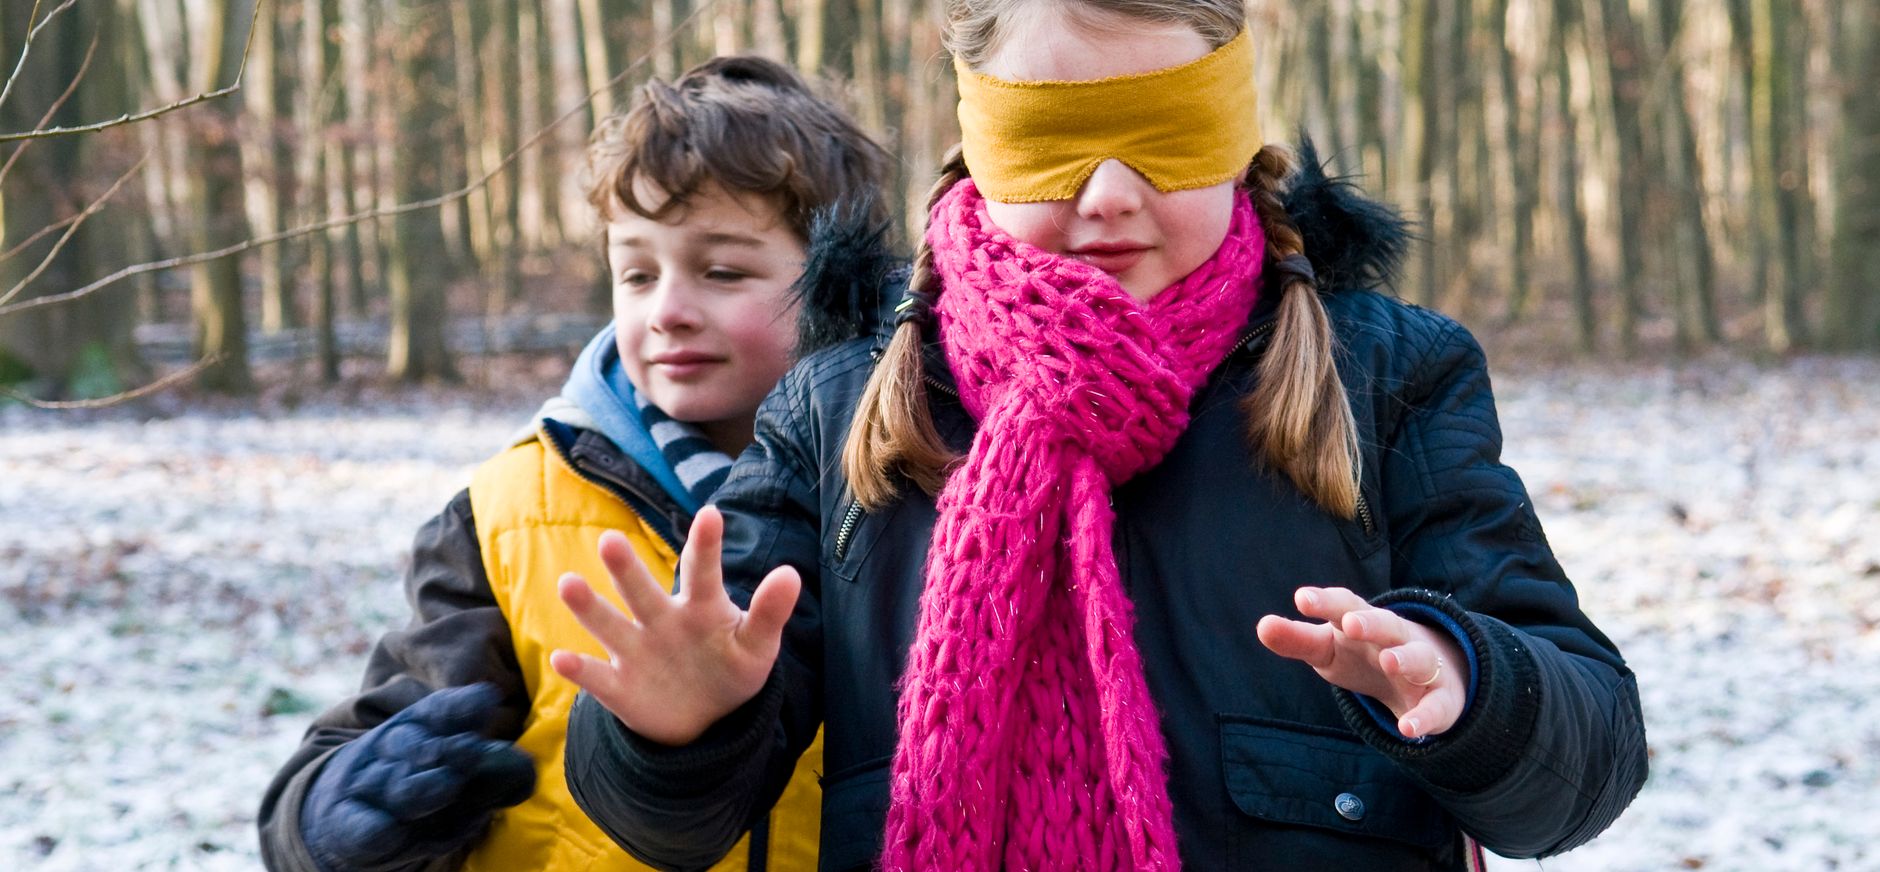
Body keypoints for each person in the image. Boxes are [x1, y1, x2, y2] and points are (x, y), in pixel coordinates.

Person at [550, 2, 1649, 870]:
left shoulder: (1385, 381)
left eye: (1165, 140)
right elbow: (675, 823)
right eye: (1055, 143)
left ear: (1232, 133)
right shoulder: (842, 410)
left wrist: (1472, 685)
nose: (1111, 196)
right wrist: (673, 728)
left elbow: (1587, 754)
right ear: (979, 141)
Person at [257, 55, 898, 872]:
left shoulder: (909, 498)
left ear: (840, 283)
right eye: (636, 273)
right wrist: (334, 815)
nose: (666, 310)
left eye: (722, 271)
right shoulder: (507, 515)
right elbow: (352, 754)